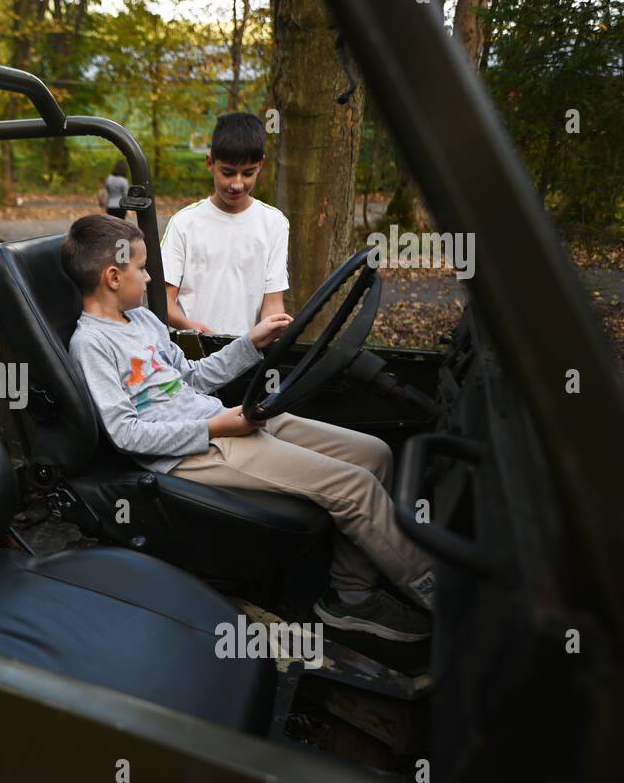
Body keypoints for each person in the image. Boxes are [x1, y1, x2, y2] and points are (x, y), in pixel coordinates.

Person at [64, 214, 437, 641]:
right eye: (143, 268)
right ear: (113, 276)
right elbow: (126, 434)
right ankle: (436, 591)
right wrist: (215, 427)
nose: (150, 277)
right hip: (194, 452)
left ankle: (350, 592)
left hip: (220, 419)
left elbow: (189, 378)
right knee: (355, 486)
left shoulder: (144, 322)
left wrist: (249, 343)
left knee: (376, 454)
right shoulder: (91, 344)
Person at [161, 112, 288, 335]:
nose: (237, 184)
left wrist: (272, 327)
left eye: (248, 173)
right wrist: (194, 329)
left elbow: (273, 303)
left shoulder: (274, 223)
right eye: (228, 173)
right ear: (210, 163)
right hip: (191, 355)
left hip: (246, 353)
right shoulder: (183, 223)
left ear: (261, 165)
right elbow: (163, 301)